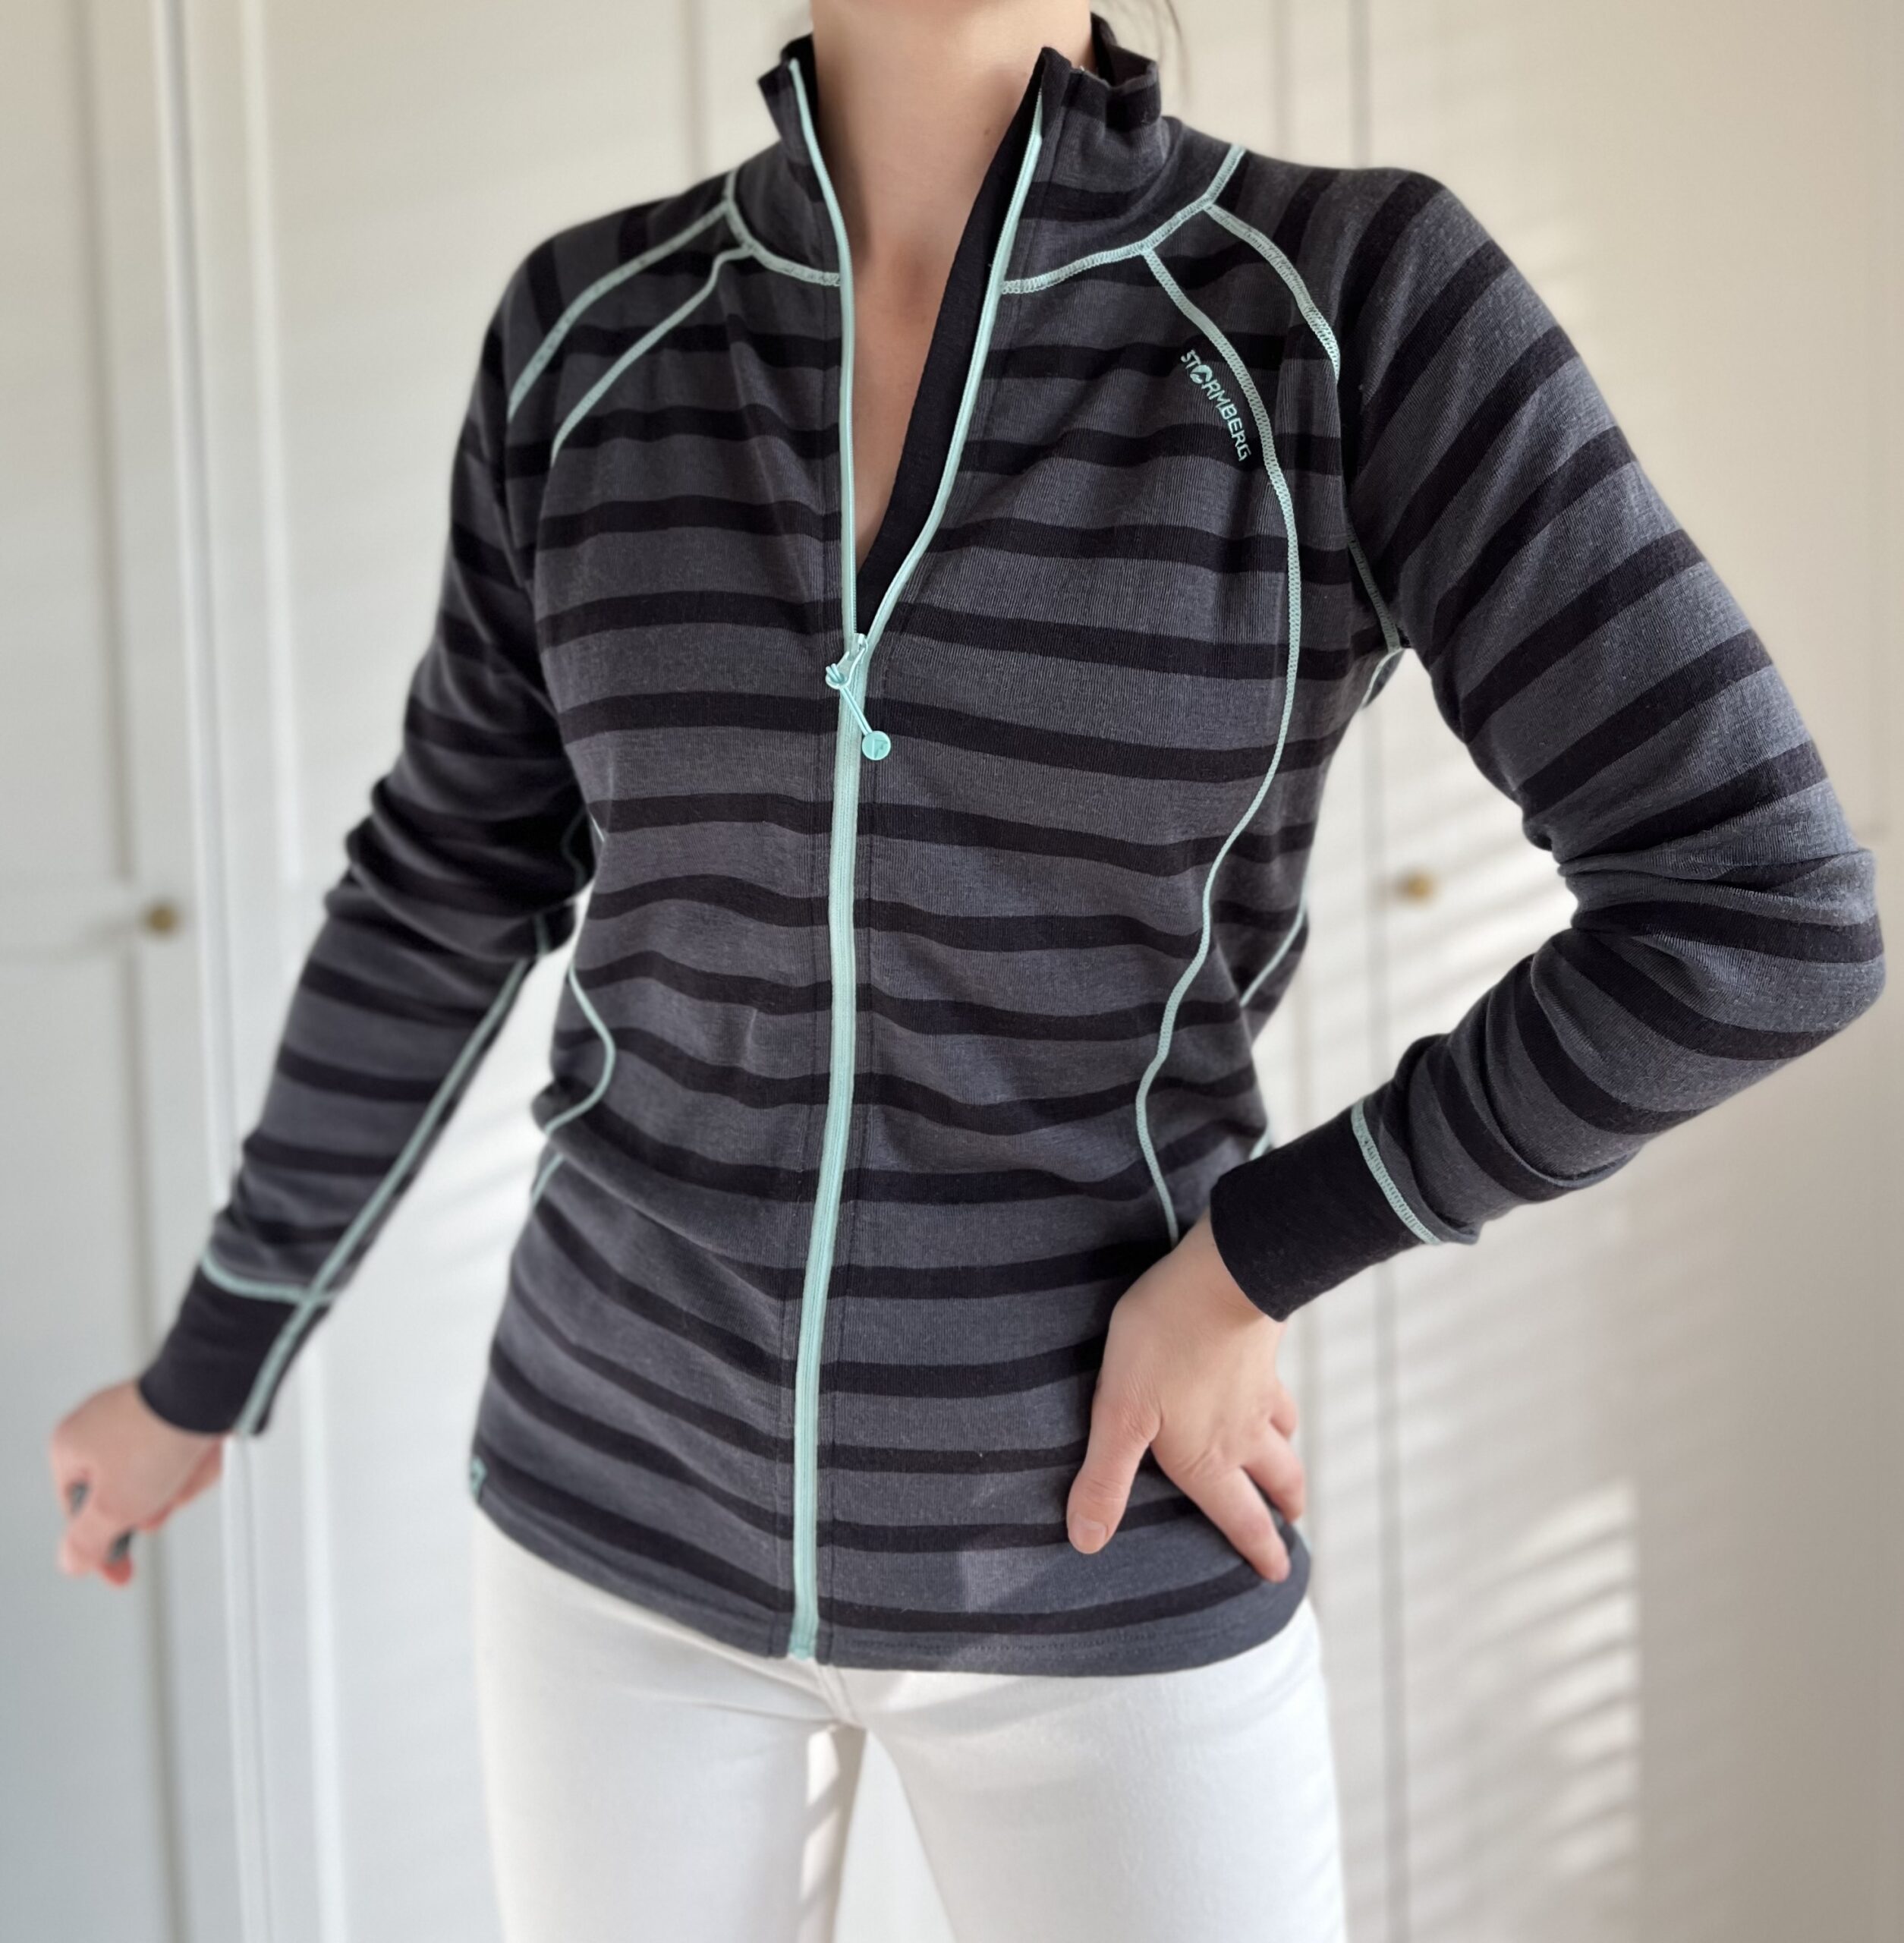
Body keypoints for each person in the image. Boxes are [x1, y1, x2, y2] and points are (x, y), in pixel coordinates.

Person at [49, 3, 1884, 1938]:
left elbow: (1757, 905)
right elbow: (440, 890)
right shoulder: (587, 336)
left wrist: (1254, 1254)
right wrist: (206, 1368)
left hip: (1097, 1529)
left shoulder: (1349, 304)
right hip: (613, 1514)